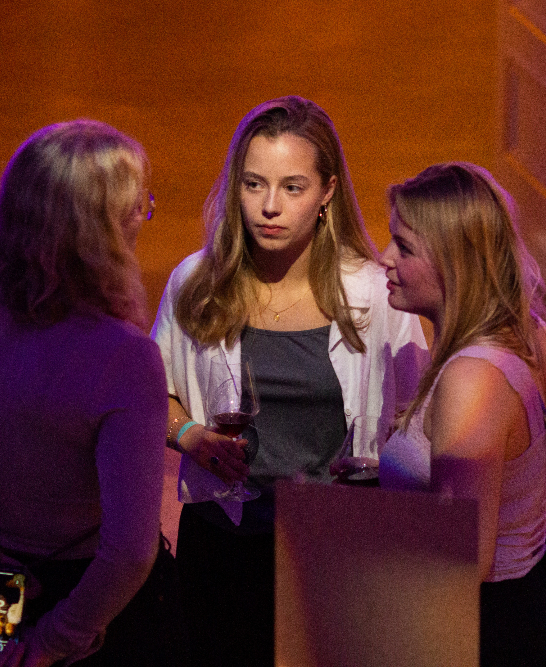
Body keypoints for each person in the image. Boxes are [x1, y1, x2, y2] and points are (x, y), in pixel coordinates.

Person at [151, 96, 428, 666]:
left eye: (292, 187)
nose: (269, 207)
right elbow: (156, 391)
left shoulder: (376, 295)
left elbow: (420, 412)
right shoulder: (197, 282)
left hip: (341, 548)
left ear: (327, 191)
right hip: (224, 540)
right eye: (254, 185)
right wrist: (191, 437)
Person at [0, 120, 182, 666]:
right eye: (137, 209)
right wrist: (50, 644)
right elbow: (128, 553)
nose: (142, 220)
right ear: (101, 232)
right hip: (101, 608)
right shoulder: (125, 356)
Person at [378, 163, 546, 666]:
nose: (385, 258)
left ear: (455, 261)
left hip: (480, 632)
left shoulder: (472, 378)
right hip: (526, 603)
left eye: (404, 247)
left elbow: (464, 560)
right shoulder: (533, 333)